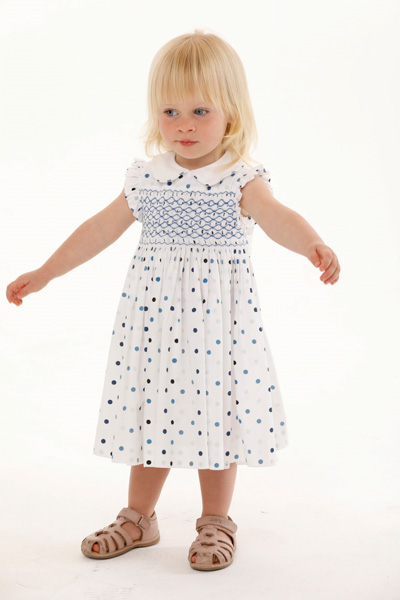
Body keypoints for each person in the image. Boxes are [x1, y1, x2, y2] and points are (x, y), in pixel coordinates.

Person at [6, 29, 340, 571]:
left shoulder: (239, 179)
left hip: (219, 329)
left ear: (232, 113)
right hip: (154, 327)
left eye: (200, 111)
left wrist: (312, 245)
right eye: (170, 111)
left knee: (218, 414)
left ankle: (216, 522)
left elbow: (278, 216)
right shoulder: (146, 178)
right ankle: (139, 518)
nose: (184, 125)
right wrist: (46, 272)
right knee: (151, 411)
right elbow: (99, 229)